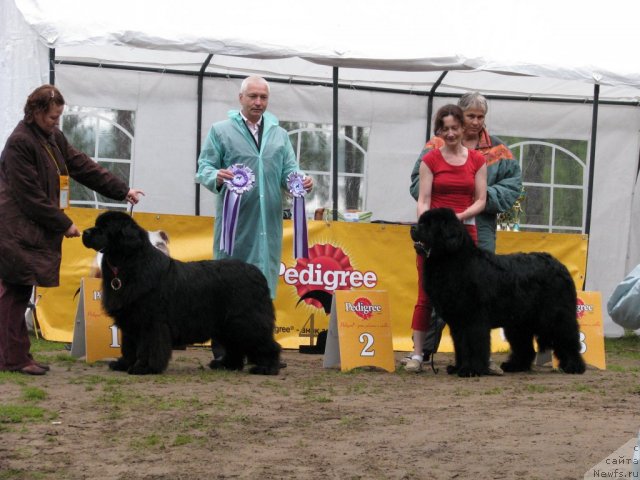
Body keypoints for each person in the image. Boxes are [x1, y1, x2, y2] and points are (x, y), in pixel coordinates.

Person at [0, 84, 144, 375]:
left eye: (59, 117)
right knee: (13, 292)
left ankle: (18, 355)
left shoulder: (52, 138)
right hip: (15, 229)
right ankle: (13, 358)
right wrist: (63, 223)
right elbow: (30, 196)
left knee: (19, 289)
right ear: (36, 112)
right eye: (53, 117)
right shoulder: (20, 142)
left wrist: (122, 190)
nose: (57, 122)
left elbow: (82, 166)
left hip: (32, 229)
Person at [406, 92, 522, 373]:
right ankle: (421, 353)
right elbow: (417, 188)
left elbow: (511, 186)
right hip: (438, 231)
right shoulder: (434, 149)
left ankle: (481, 358)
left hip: (476, 229)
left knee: (483, 297)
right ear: (458, 117)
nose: (475, 122)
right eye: (470, 116)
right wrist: (431, 226)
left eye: (480, 117)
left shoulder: (496, 152)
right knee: (432, 295)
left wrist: (475, 204)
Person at [196, 75, 313, 299]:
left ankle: (258, 331)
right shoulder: (220, 131)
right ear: (241, 98)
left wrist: (302, 181)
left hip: (268, 223)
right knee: (229, 284)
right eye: (253, 96)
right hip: (235, 225)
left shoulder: (280, 135)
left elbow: (289, 171)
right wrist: (216, 176)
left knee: (262, 285)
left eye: (263, 97)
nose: (258, 102)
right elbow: (204, 167)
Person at [404, 104, 487, 373]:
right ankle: (418, 354)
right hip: (434, 237)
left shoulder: (477, 160)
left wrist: (459, 218)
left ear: (463, 128)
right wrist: (426, 226)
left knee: (468, 299)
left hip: (464, 235)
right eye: (444, 129)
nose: (450, 133)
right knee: (426, 294)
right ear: (438, 131)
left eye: (455, 128)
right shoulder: (430, 160)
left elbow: (481, 200)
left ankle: (471, 356)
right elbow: (424, 199)